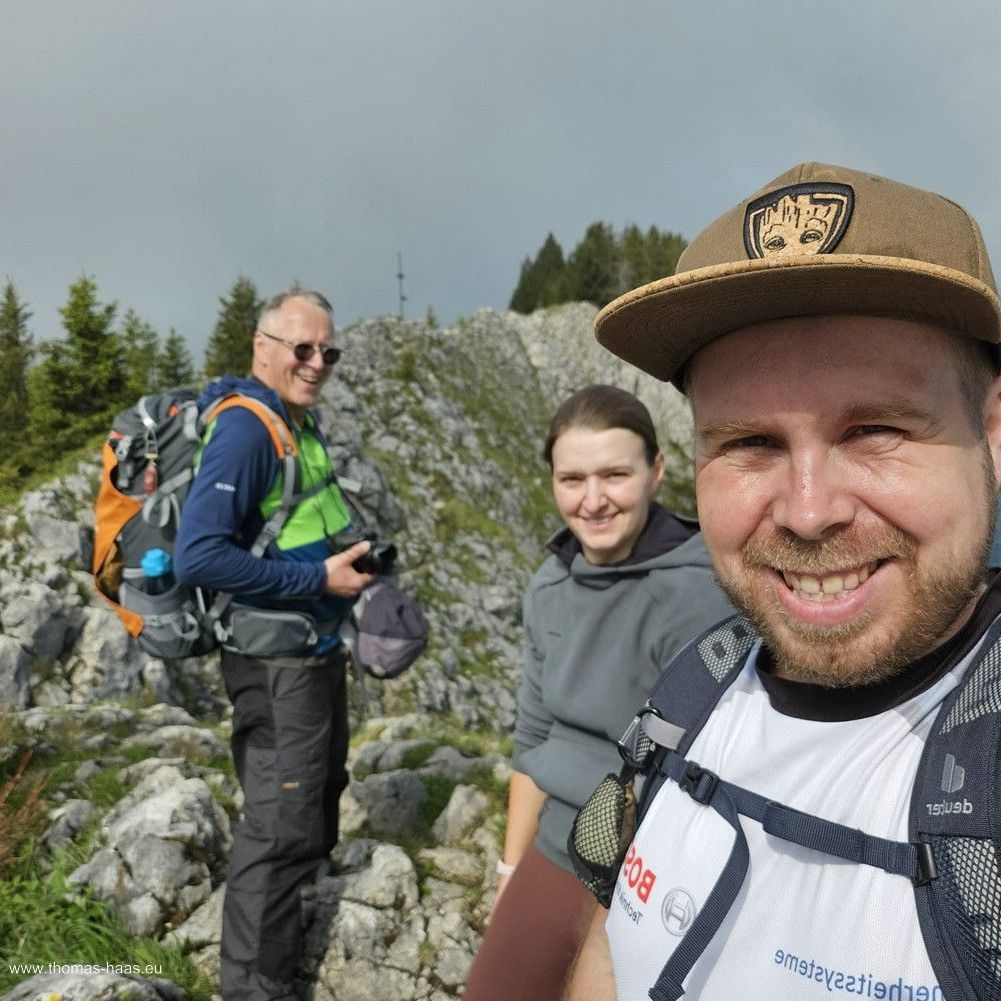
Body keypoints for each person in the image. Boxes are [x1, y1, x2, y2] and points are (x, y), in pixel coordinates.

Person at [565, 162, 1001, 1000]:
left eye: (874, 428)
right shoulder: (695, 689)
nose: (806, 512)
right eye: (749, 443)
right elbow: (611, 945)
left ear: (990, 430)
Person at [462, 385, 733, 1001]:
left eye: (615, 475)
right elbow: (532, 740)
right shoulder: (550, 585)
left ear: (656, 471)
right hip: (559, 846)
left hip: (651, 869)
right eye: (571, 479)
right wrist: (510, 871)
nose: (592, 501)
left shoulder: (701, 594)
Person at [174, 286, 375, 1001]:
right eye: (302, 347)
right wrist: (316, 574)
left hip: (311, 652)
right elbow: (198, 555)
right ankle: (255, 989)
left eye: (329, 350)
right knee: (277, 827)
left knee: (314, 803)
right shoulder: (246, 431)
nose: (317, 361)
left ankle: (284, 956)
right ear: (262, 347)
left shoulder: (296, 423)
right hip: (272, 665)